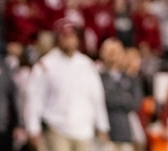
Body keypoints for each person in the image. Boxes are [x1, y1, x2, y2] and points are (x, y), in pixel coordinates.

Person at [24, 19, 109, 151]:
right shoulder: (46, 65)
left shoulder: (86, 65)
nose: (69, 40)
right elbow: (34, 98)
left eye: (73, 36)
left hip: (84, 130)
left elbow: (97, 97)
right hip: (57, 128)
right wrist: (33, 127)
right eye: (65, 36)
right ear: (58, 39)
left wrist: (102, 125)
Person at [99, 38, 142, 151]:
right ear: (102, 53)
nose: (113, 55)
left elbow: (135, 103)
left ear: (122, 53)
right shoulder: (97, 77)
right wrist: (123, 97)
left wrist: (110, 96)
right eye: (109, 51)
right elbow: (99, 102)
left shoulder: (130, 78)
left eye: (116, 51)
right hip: (104, 134)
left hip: (125, 133)